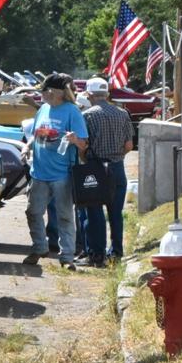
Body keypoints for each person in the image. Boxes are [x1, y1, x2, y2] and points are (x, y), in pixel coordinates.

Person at [22, 73, 89, 270]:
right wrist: (27, 147)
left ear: (53, 92)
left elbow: (84, 144)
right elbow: (36, 134)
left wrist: (75, 139)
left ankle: (67, 257)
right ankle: (39, 247)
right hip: (39, 172)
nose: (41, 95)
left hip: (62, 174)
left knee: (65, 216)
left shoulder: (72, 112)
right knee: (33, 212)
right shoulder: (43, 109)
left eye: (43, 91)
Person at [76, 77, 134, 267]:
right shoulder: (122, 113)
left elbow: (84, 145)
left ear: (89, 95)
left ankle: (96, 254)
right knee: (115, 212)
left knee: (94, 213)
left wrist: (84, 158)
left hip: (96, 167)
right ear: (107, 94)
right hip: (117, 167)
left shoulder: (88, 116)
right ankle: (116, 253)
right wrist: (118, 157)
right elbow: (129, 145)